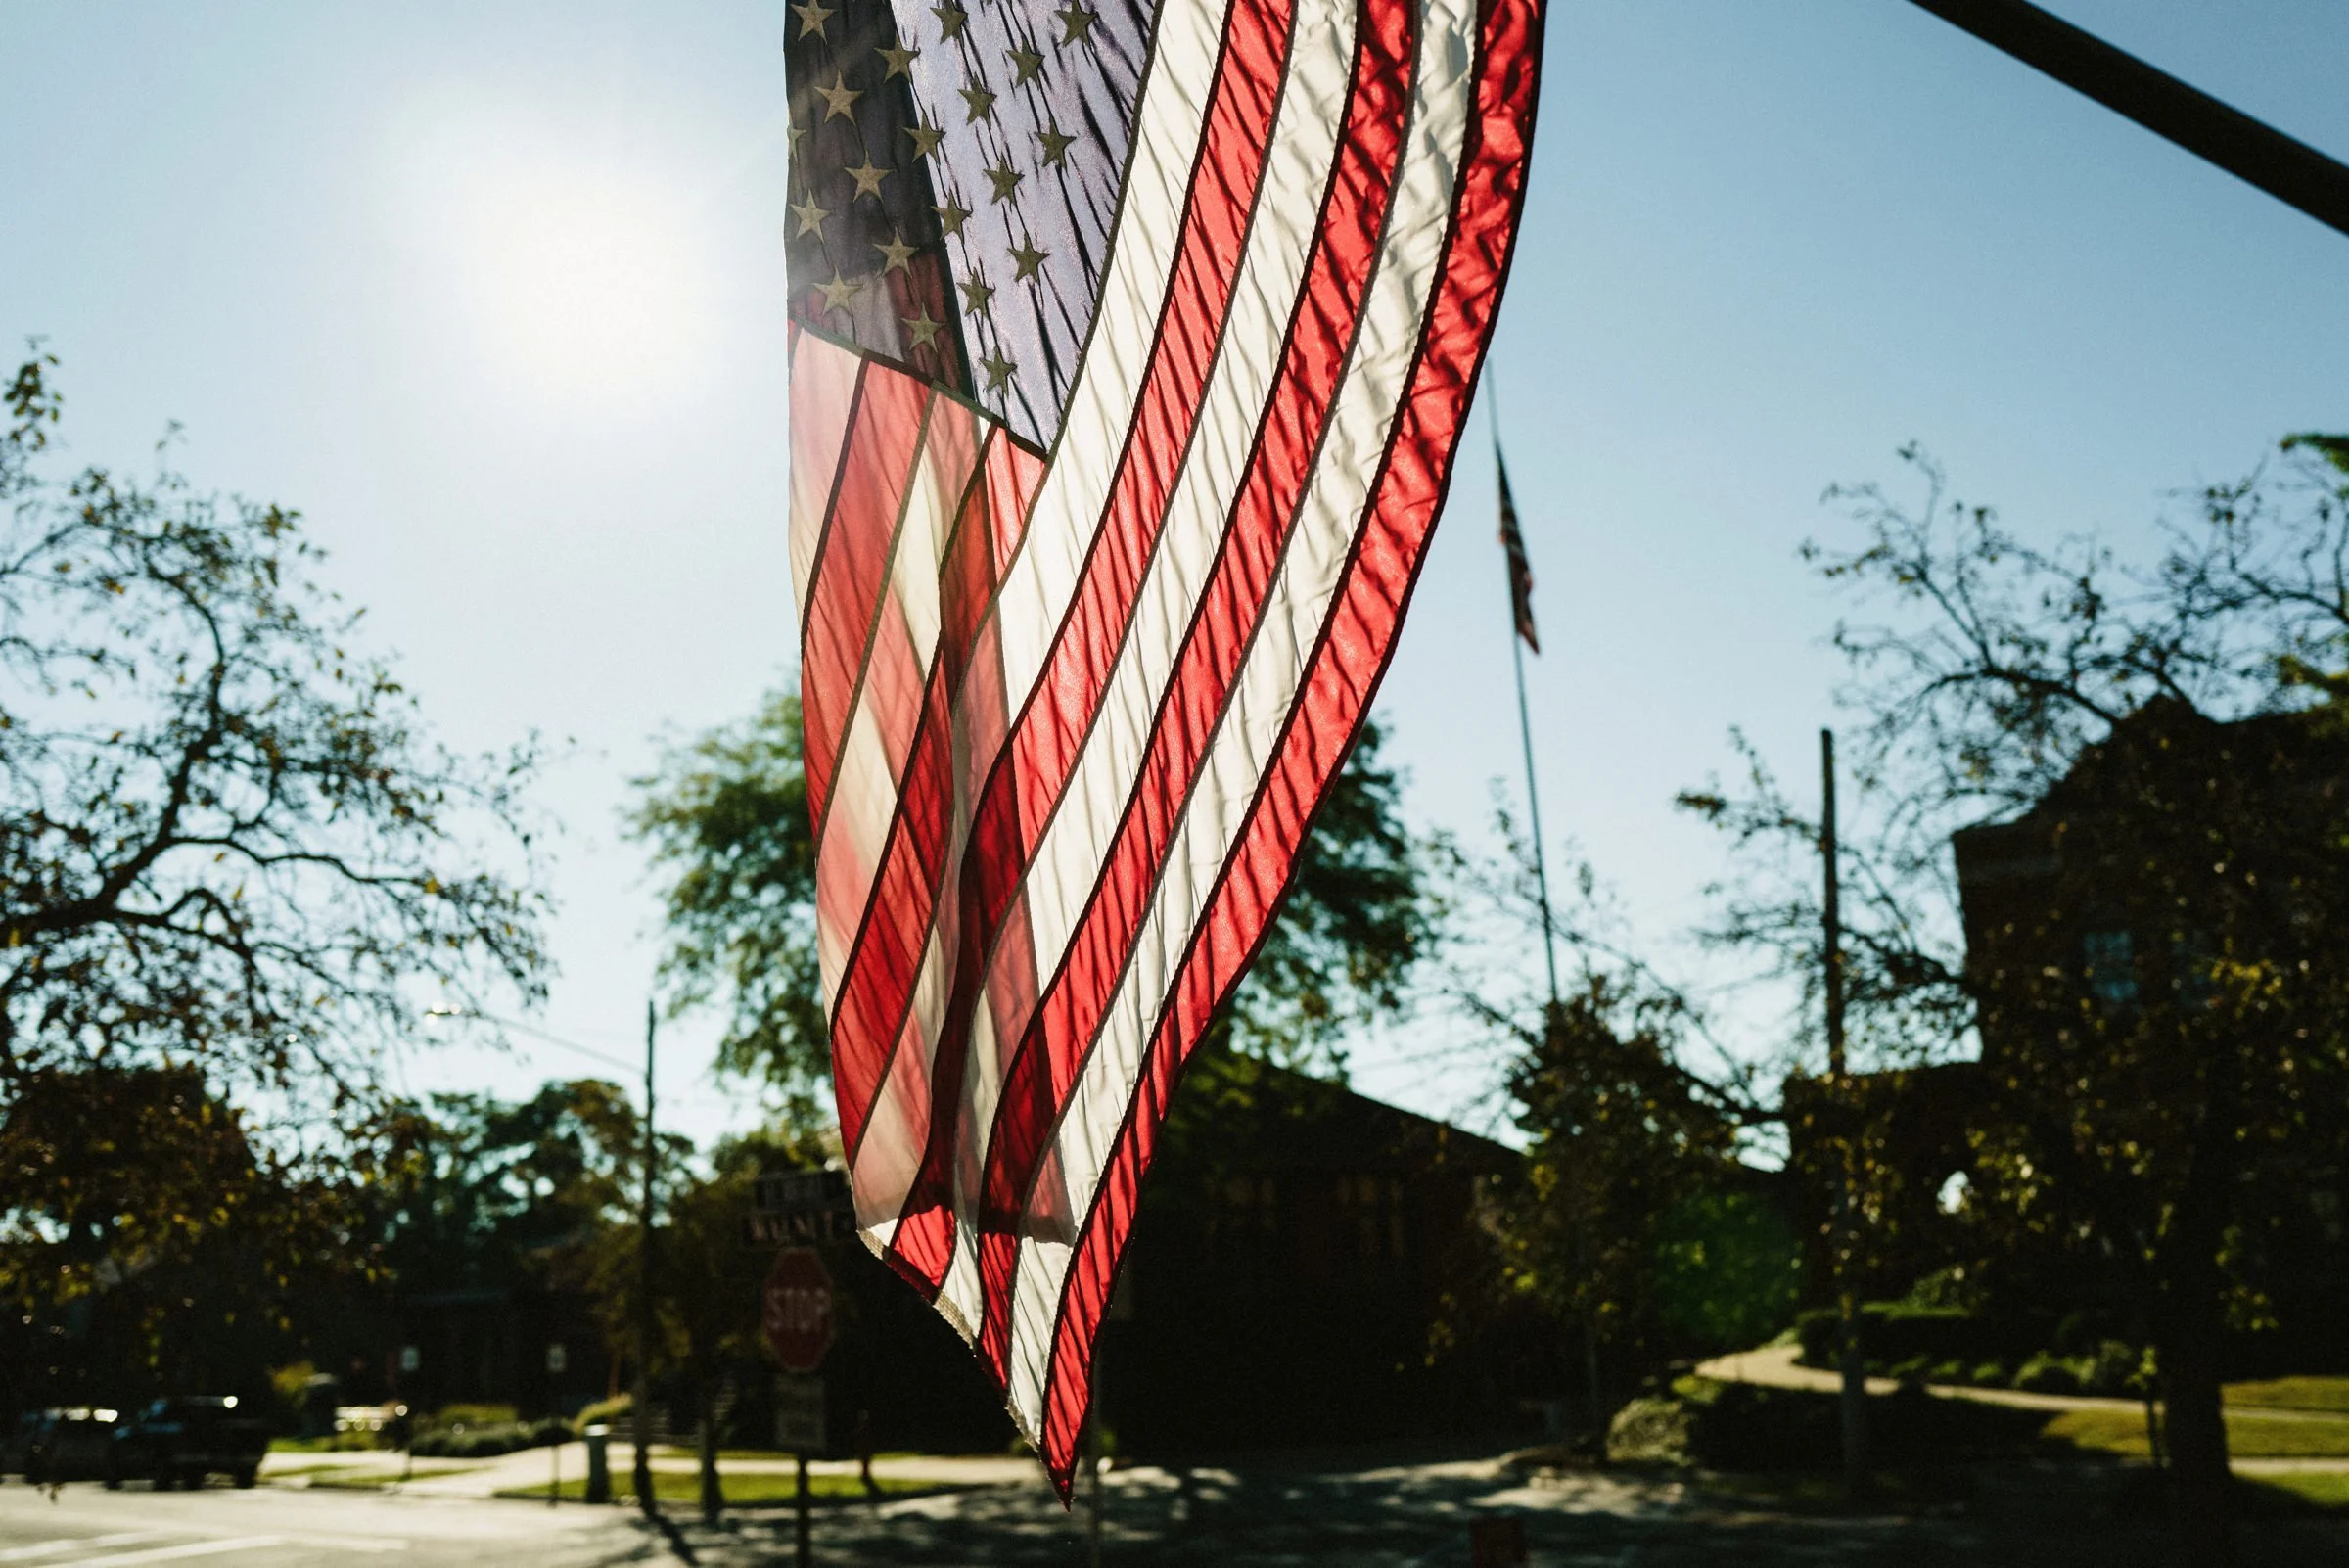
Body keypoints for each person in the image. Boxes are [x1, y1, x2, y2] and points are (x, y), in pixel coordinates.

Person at [852, 1408, 877, 1499]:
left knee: (866, 1465)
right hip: (864, 1450)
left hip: (865, 1450)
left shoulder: (864, 1429)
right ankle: (865, 1477)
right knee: (864, 1465)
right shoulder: (863, 1429)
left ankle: (865, 1477)